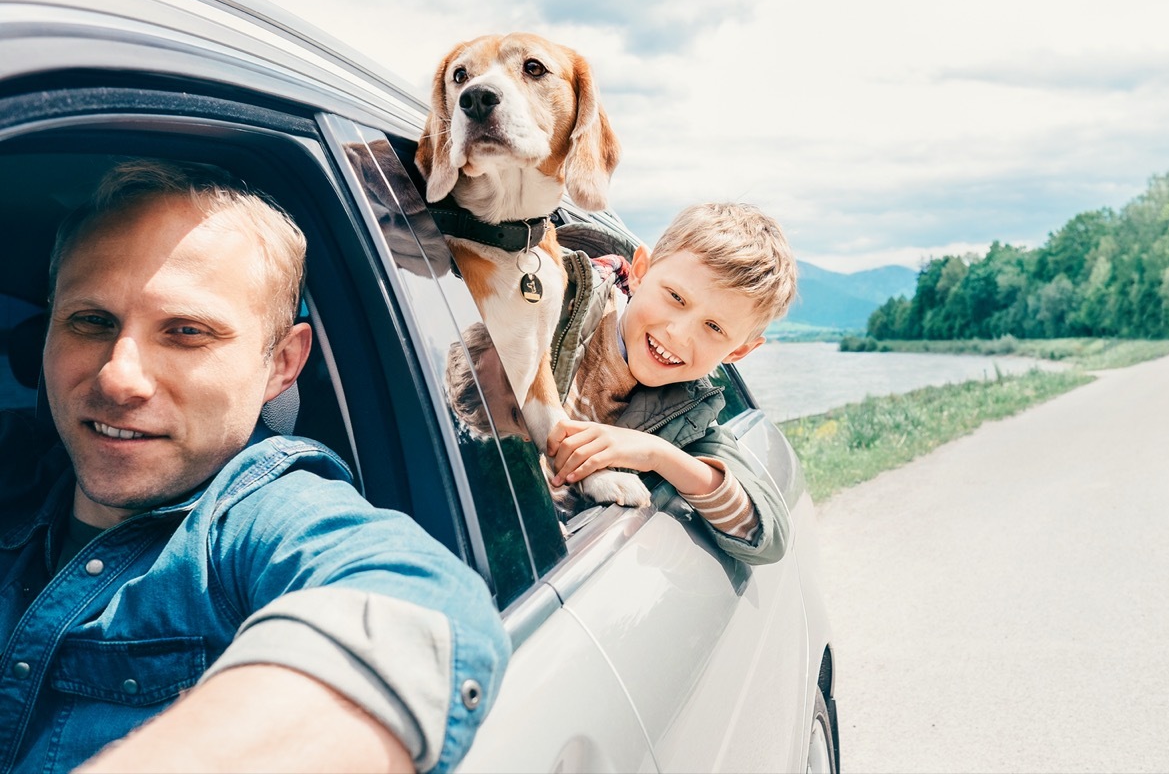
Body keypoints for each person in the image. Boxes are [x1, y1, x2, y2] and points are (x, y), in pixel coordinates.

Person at [0, 160, 509, 773]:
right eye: (91, 322)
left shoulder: (259, 515)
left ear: (282, 365)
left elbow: (419, 601)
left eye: (186, 332)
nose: (118, 378)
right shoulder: (21, 466)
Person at [544, 203, 799, 565]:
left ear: (739, 350)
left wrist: (656, 454)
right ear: (641, 272)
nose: (678, 334)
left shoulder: (688, 418)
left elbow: (765, 536)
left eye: (714, 328)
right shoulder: (552, 302)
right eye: (676, 297)